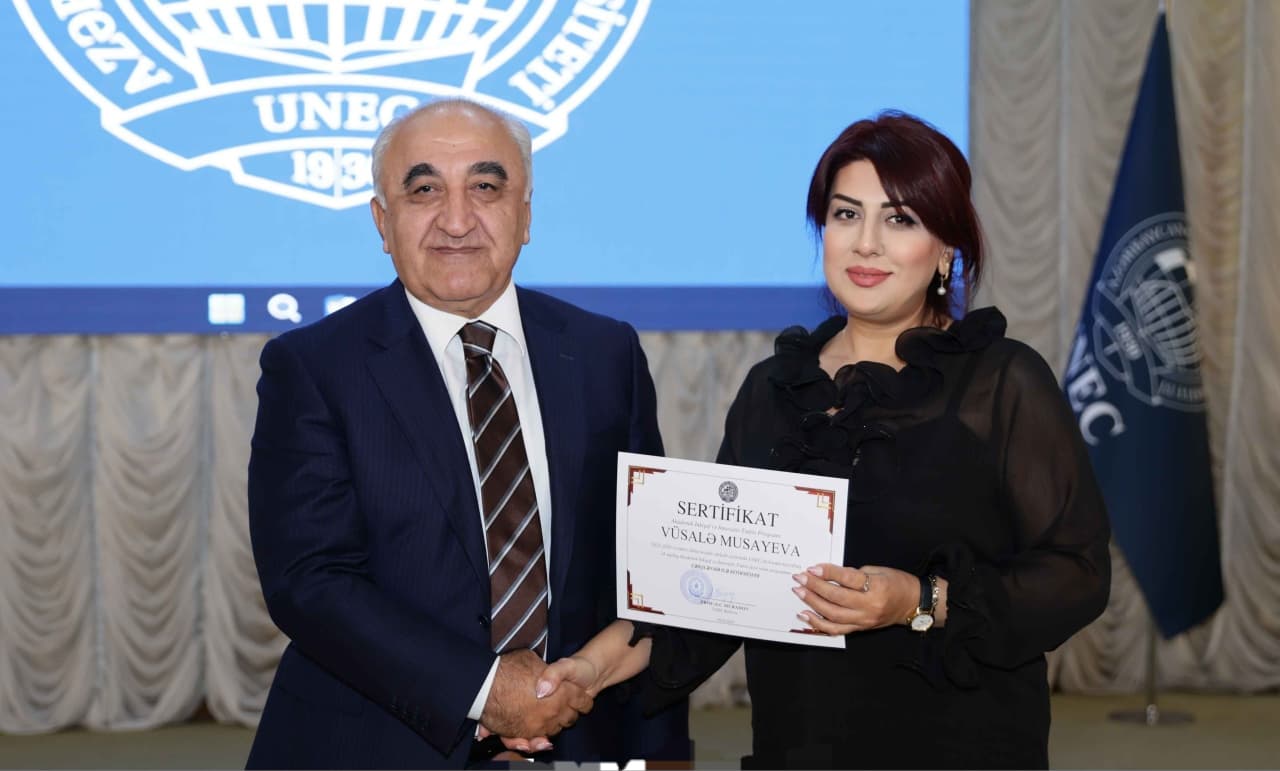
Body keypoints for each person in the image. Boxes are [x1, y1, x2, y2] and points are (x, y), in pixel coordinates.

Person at [531, 112, 1112, 769]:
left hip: (962, 745)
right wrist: (589, 667)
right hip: (798, 745)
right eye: (846, 214)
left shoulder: (1001, 383)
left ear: (947, 247)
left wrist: (919, 601)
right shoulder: (773, 389)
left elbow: (1078, 574)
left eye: (899, 219)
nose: (866, 244)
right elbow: (714, 591)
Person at [245, 98, 689, 769]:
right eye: (424, 191)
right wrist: (486, 690)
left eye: (485, 187)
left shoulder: (606, 354)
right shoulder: (312, 367)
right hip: (375, 745)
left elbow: (646, 567)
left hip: (581, 734)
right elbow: (310, 580)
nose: (456, 220)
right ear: (382, 221)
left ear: (526, 215)